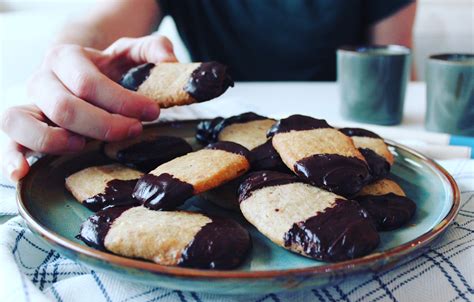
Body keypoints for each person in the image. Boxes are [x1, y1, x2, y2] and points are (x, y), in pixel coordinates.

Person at [0, 0, 416, 181]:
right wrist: (64, 61)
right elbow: (98, 25)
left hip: (339, 125)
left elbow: (393, 67)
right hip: (216, 132)